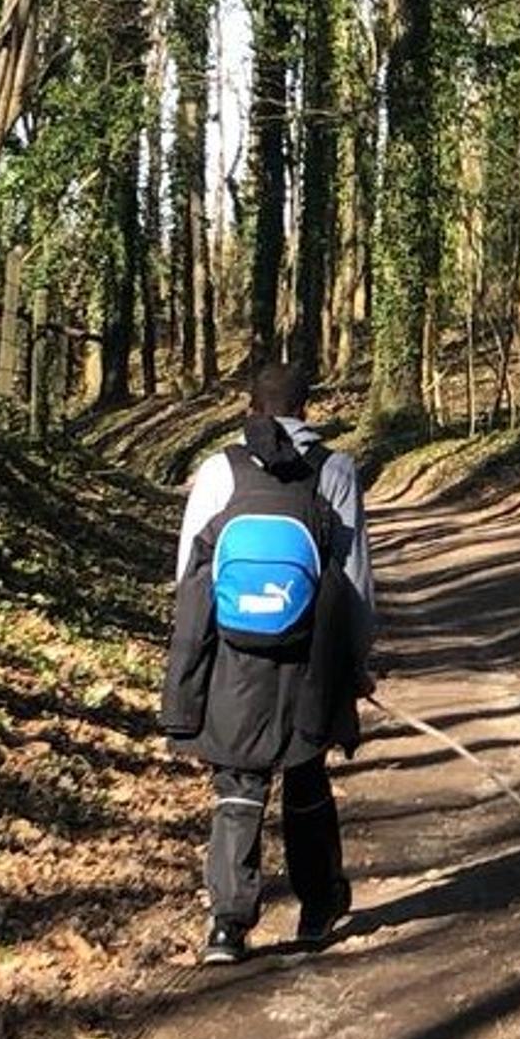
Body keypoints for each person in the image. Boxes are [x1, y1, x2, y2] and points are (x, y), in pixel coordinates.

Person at [160, 362, 376, 964]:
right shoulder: (334, 470)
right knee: (306, 776)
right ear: (306, 409)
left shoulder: (218, 469)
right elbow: (355, 580)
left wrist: (189, 661)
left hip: (235, 652)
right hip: (310, 653)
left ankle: (228, 925)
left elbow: (191, 573)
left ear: (249, 407)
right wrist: (358, 660)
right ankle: (317, 906)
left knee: (239, 782)